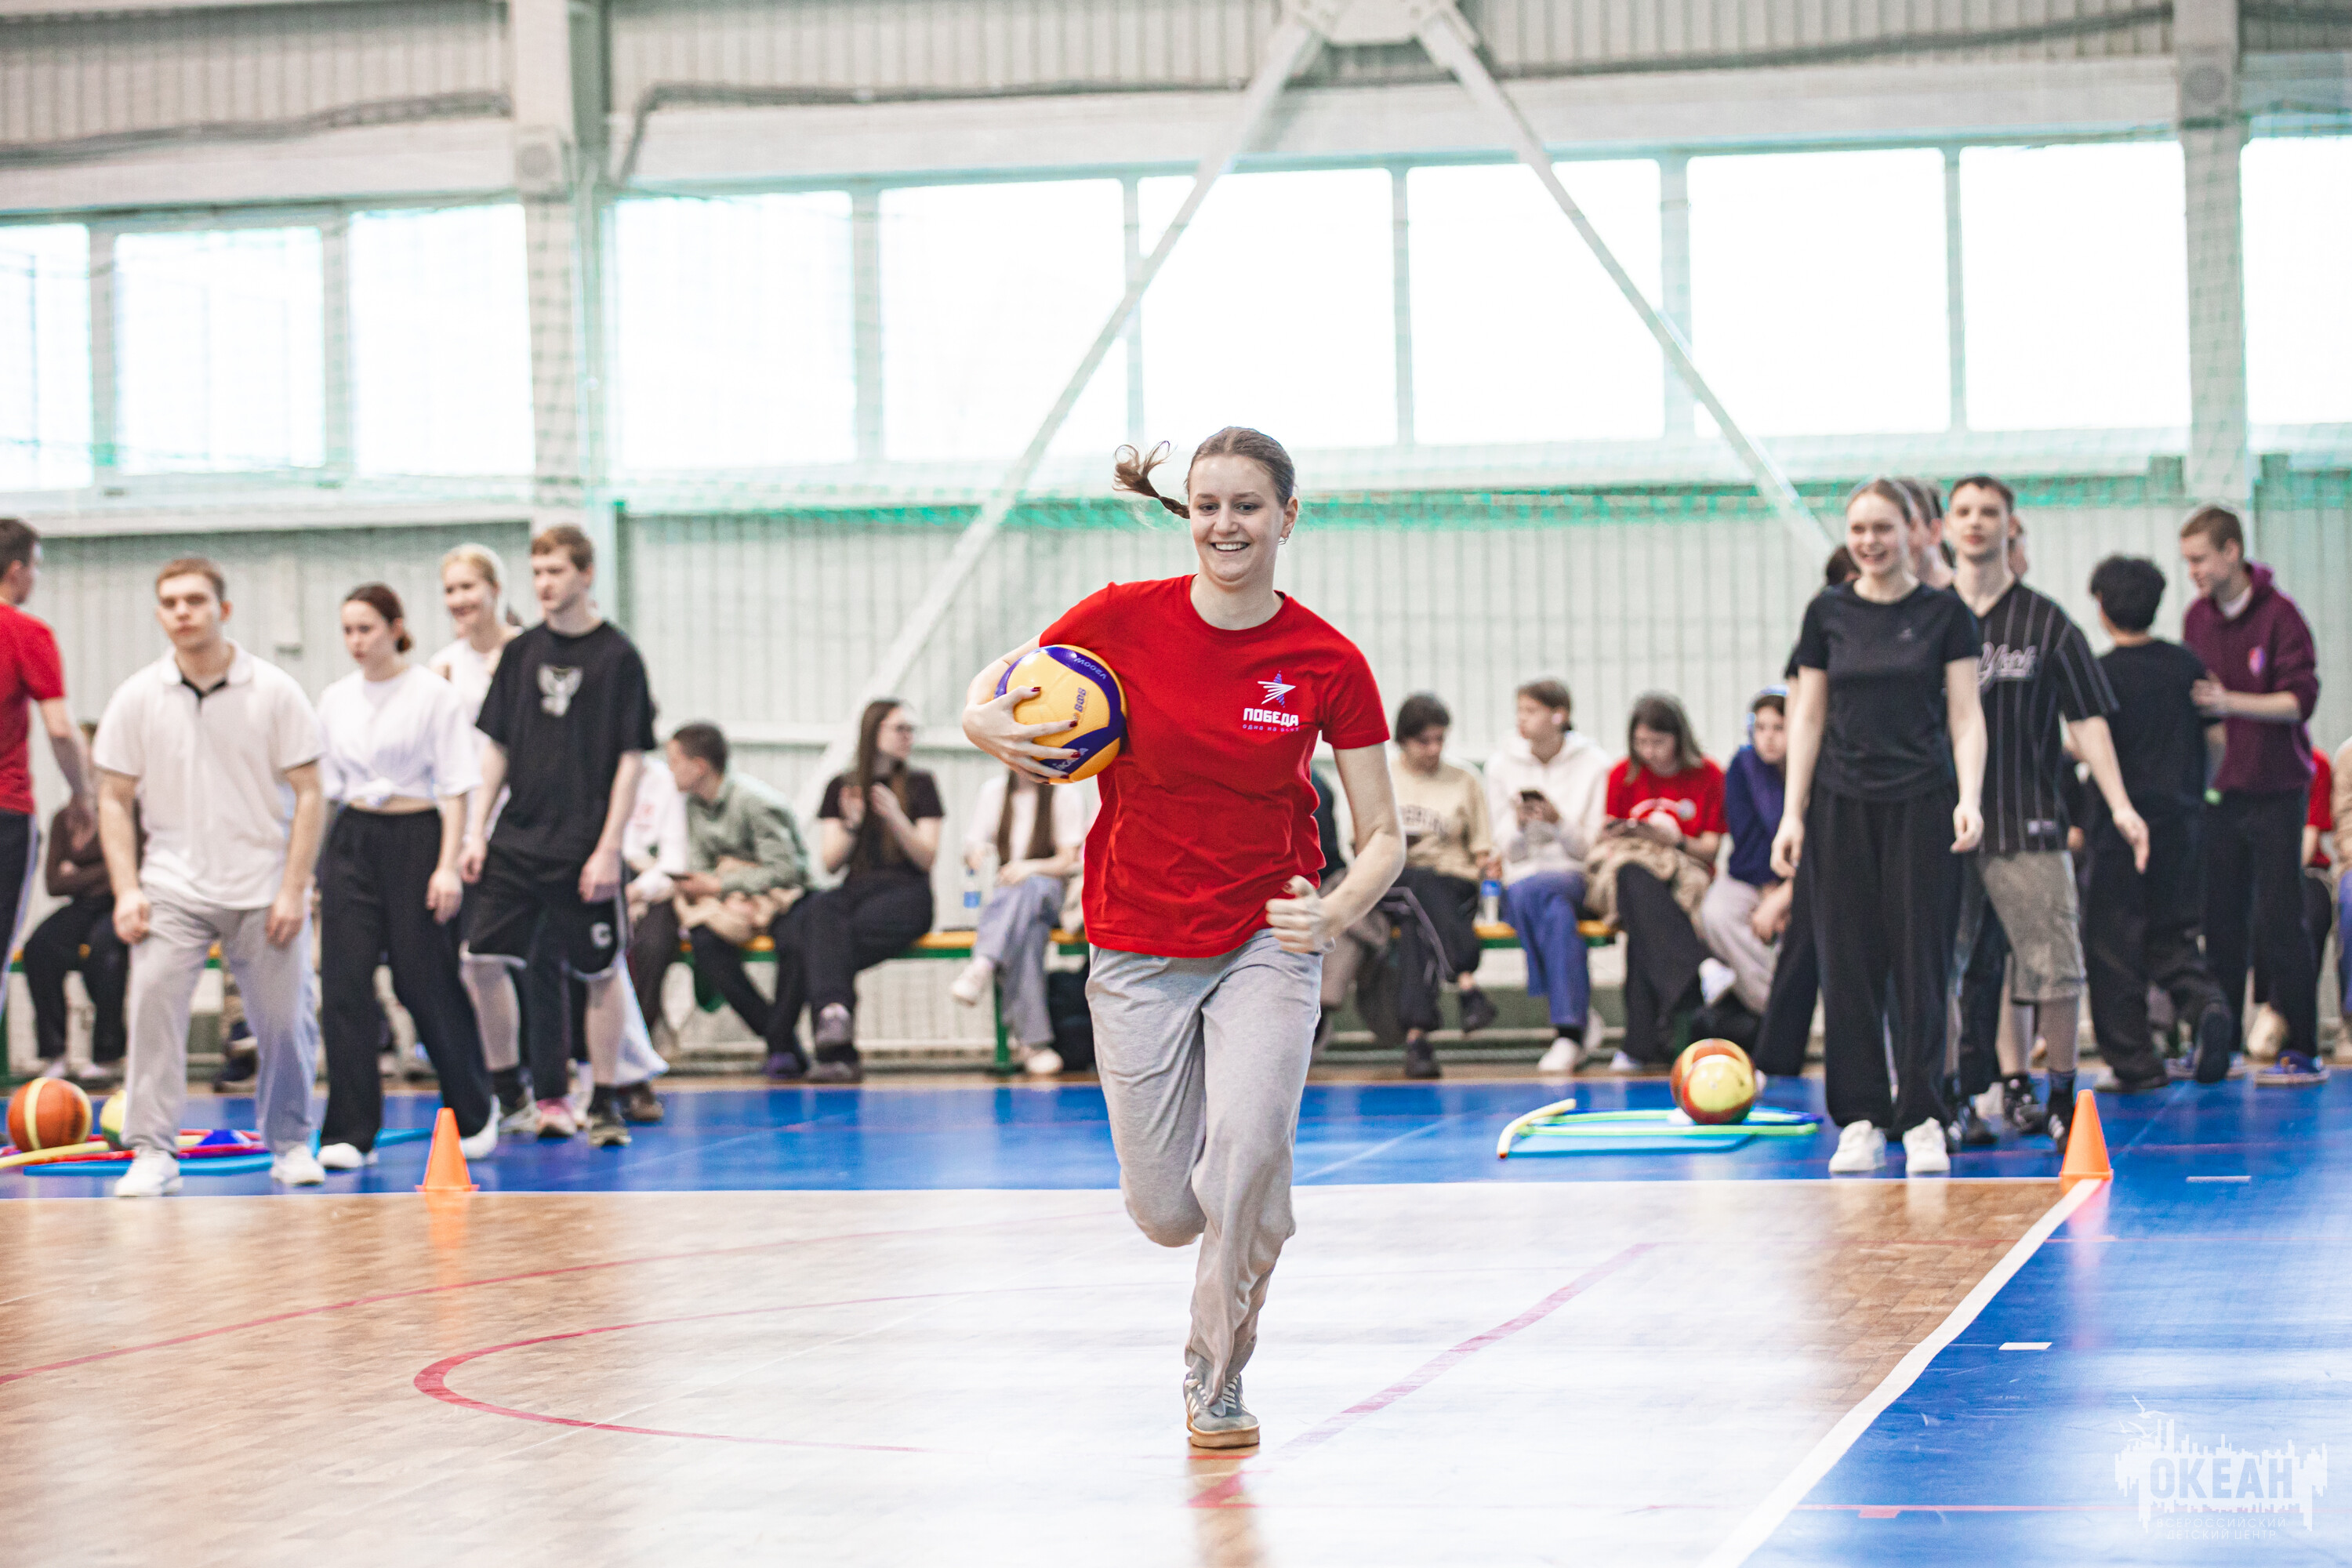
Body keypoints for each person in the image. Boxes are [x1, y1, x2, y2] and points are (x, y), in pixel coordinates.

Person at [961, 426, 1402, 1450]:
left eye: (1247, 506)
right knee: (1167, 1209)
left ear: (1288, 516)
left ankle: (1217, 1373)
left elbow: (1384, 834)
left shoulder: (1328, 661)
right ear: (1186, 514)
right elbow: (1004, 683)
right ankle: (1244, 1206)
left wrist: (1332, 911)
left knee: (1246, 1153)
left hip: (1268, 935)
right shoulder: (1120, 618)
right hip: (1138, 937)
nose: (1225, 525)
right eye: (1208, 506)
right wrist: (981, 720)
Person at [1774, 479, 1986, 1178]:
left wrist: (1970, 797)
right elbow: (1808, 716)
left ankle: (1924, 1116)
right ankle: (1862, 1118)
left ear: (1914, 532)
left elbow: (1966, 715)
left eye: (1883, 528)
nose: (1870, 541)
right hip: (1841, 808)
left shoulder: (1946, 614)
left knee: (1923, 962)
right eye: (1859, 528)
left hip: (1923, 805)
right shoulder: (1826, 613)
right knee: (1849, 964)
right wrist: (1793, 812)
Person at [98, 558, 328, 1197]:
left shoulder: (274, 690)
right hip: (171, 885)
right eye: (170, 602)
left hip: (264, 886)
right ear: (159, 614)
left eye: (195, 600)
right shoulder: (137, 696)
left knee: (284, 1022)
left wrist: (295, 888)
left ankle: (289, 1143)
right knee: (151, 1008)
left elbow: (311, 791)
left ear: (223, 610)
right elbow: (113, 796)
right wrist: (127, 888)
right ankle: (153, 1151)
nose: (183, 612)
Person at [1944, 475, 2147, 1148]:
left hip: (2026, 820)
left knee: (2056, 966)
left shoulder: (2046, 622)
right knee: (1942, 970)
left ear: (2011, 525)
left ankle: (2060, 1094)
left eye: (1990, 511)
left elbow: (2087, 719)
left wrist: (2120, 804)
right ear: (1945, 526)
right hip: (1942, 828)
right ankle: (1952, 1098)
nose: (1976, 522)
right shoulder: (1931, 617)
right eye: (1964, 510)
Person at [460, 526, 661, 1147]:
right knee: (478, 960)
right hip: (518, 839)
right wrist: (475, 832)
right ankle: (510, 1093)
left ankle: (604, 1102)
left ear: (586, 574)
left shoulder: (618, 658)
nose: (545, 584)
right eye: (538, 572)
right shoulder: (520, 654)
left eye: (557, 571)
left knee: (599, 972)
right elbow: (497, 748)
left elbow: (631, 760)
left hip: (583, 846)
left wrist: (608, 848)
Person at [312, 584, 496, 1170]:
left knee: (423, 982)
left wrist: (448, 865)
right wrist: (311, 871)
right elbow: (323, 790)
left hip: (417, 838)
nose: (356, 641)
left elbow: (457, 785)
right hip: (352, 840)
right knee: (344, 985)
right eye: (348, 630)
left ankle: (473, 1111)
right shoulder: (335, 699)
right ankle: (350, 1131)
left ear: (396, 628)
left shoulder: (433, 694)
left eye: (366, 628)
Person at [2180, 506, 2325, 1084]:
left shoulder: (2281, 616)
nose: (2193, 571)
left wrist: (2231, 702)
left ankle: (2305, 1049)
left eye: (2200, 559)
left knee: (2282, 918)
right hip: (2221, 795)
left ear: (2231, 551)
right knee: (2221, 922)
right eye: (2188, 561)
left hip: (2277, 791)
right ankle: (2223, 1045)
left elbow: (2299, 702)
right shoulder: (2197, 618)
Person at [2079, 556, 2231, 1092]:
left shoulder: (2098, 674)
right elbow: (2216, 738)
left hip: (2117, 829)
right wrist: (2196, 791)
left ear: (2102, 607)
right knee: (2175, 933)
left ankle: (2135, 1063)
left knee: (2112, 945)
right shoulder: (2186, 665)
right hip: (2181, 820)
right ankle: (2205, 1002)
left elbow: (2084, 743)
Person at [428, 543, 534, 1129]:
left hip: (525, 827)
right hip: (466, 830)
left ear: (495, 589)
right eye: (450, 590)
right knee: (477, 963)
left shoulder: (529, 654)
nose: (459, 599)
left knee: (550, 964)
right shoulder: (443, 667)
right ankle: (504, 1085)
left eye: (469, 586)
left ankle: (604, 1081)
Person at [797, 700, 946, 1081]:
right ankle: (835, 1023)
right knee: (819, 909)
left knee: (822, 944)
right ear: (873, 731)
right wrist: (852, 824)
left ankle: (835, 1046)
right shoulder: (841, 787)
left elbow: (927, 858)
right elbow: (831, 863)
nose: (909, 737)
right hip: (858, 891)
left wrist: (895, 816)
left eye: (911, 729)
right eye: (900, 729)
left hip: (907, 893)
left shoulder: (921, 784)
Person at [663, 721, 811, 1080]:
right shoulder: (693, 806)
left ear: (699, 766)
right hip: (732, 897)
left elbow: (787, 871)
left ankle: (780, 1043)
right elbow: (701, 864)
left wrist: (722, 885)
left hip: (785, 896)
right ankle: (781, 1040)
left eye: (674, 762)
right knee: (704, 942)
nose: (669, 771)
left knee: (796, 943)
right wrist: (713, 890)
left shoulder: (757, 803)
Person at [1483, 679, 1611, 1073]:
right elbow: (1507, 849)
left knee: (1542, 894)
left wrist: (1559, 822)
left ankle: (1570, 1023)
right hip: (1525, 881)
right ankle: (1571, 1025)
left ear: (1559, 715)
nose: (1521, 719)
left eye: (1531, 711)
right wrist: (1520, 826)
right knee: (1550, 909)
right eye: (1519, 710)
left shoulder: (1594, 765)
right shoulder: (1500, 765)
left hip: (1575, 877)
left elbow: (1590, 850)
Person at [1596, 693, 1725, 1070]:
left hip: (1685, 873)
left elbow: (1710, 851)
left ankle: (1638, 1043)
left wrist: (1675, 840)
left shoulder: (1709, 775)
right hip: (1633, 870)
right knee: (1633, 878)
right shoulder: (1623, 775)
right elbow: (1607, 837)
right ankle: (1700, 967)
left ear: (1678, 739)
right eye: (1641, 743)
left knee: (1646, 925)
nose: (1649, 752)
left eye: (1658, 742)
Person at [0, 518, 97, 1007]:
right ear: (17, 570)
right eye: (36, 567)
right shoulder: (24, 631)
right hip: (5, 810)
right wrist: (83, 795)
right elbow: (60, 729)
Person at [950, 764, 1093, 1075]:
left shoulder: (1064, 794)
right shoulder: (993, 792)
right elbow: (972, 845)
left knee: (1028, 887)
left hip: (1051, 891)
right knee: (1028, 937)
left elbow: (1067, 860)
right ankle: (1034, 1045)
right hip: (1017, 905)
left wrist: (1029, 868)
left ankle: (983, 963)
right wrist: (974, 852)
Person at [1385, 691, 1497, 1080]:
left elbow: (1481, 848)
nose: (1434, 749)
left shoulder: (1465, 780)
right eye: (1424, 741)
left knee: (1417, 923)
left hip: (1452, 884)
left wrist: (1491, 868)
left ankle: (1417, 1041)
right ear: (1403, 740)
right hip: (1393, 877)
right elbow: (1361, 846)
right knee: (1417, 885)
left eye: (1440, 739)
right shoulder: (1382, 778)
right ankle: (1466, 983)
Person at [25, 724, 129, 1087]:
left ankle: (107, 1055)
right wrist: (105, 869)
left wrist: (79, 871)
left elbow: (129, 868)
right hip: (81, 906)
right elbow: (54, 883)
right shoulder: (63, 820)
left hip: (117, 904)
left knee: (106, 951)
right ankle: (56, 1052)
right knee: (39, 948)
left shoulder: (123, 810)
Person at [1698, 691, 1787, 1037]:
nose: (1768, 737)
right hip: (1753, 875)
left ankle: (1779, 1010)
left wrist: (1784, 895)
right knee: (1716, 913)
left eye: (1778, 727)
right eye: (1760, 727)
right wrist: (1767, 889)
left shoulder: (1819, 767)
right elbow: (1746, 837)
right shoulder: (1743, 766)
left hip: (1805, 879)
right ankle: (1772, 1007)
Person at [2246, 746, 2334, 1063]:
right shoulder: (2248, 767)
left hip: (2307, 874)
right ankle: (2272, 1010)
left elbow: (2308, 844)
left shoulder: (2316, 764)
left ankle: (2283, 1013)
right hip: (2261, 879)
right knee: (2259, 910)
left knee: (2301, 911)